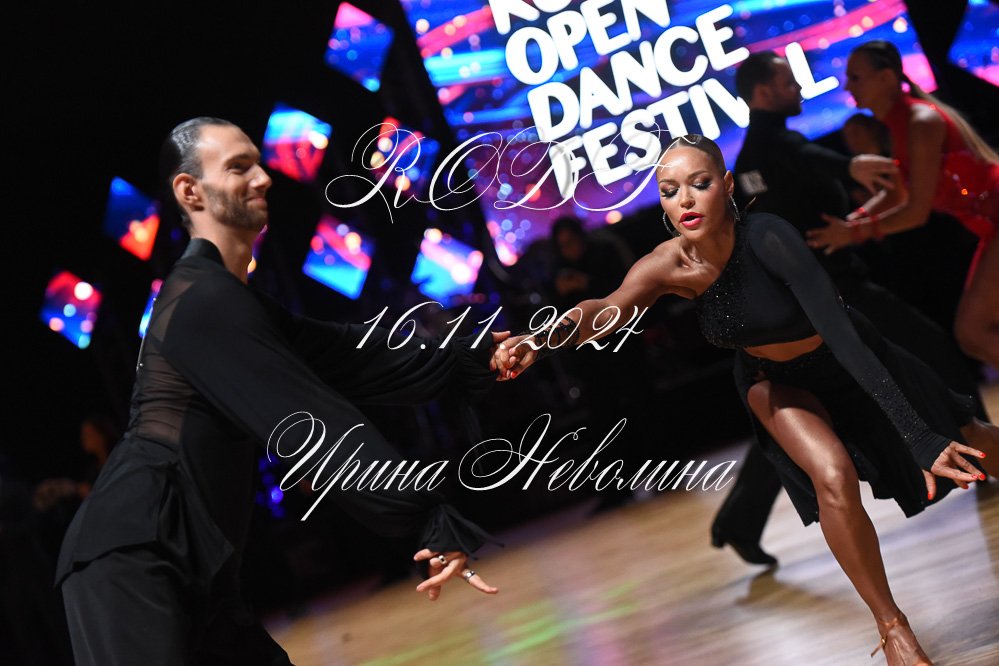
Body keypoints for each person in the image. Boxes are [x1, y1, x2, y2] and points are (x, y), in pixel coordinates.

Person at [494, 134, 998, 665]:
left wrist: (916, 434)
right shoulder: (669, 265)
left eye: (699, 183)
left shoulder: (770, 237)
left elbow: (844, 336)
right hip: (778, 383)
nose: (685, 200)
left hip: (854, 360)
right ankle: (892, 627)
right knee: (832, 474)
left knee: (972, 438)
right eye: (670, 190)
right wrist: (538, 340)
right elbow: (606, 309)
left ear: (727, 185)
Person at [56, 118, 503, 666]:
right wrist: (422, 513)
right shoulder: (203, 303)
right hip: (137, 560)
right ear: (190, 191)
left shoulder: (229, 299)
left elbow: (352, 355)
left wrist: (468, 356)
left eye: (259, 163)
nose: (264, 178)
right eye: (238, 167)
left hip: (189, 565)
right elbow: (310, 426)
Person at [710, 51, 987, 567]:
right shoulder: (769, 149)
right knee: (931, 352)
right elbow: (802, 158)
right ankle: (981, 457)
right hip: (830, 296)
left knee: (796, 415)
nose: (800, 87)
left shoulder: (765, 150)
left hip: (826, 293)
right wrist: (851, 166)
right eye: (789, 81)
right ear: (764, 92)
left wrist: (855, 209)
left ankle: (738, 520)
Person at [808, 39, 999, 369]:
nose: (847, 86)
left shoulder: (919, 122)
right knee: (973, 333)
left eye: (855, 77)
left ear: (886, 78)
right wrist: (850, 223)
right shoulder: (902, 123)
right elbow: (897, 192)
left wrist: (853, 233)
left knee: (973, 331)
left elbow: (916, 211)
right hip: (991, 228)